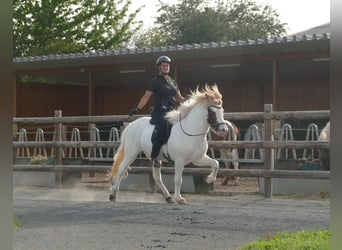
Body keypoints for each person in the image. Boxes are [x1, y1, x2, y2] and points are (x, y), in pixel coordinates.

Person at [128, 55, 185, 168]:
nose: (165, 67)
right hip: (160, 112)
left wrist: (191, 101)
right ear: (159, 67)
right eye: (163, 66)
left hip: (172, 111)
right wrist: (138, 108)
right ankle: (154, 157)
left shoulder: (173, 82)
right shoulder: (154, 82)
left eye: (167, 66)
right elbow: (146, 97)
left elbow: (179, 98)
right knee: (163, 127)